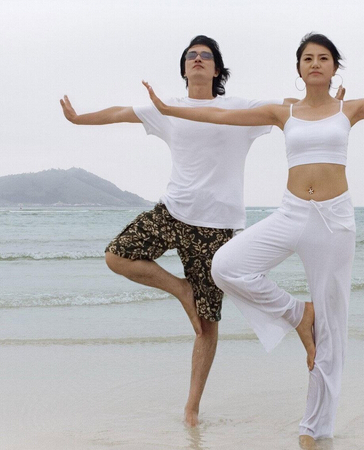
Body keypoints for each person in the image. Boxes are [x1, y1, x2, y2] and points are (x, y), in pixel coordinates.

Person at [142, 32, 364, 446]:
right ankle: (298, 314)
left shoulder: (350, 108)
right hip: (292, 212)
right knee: (225, 266)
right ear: (298, 69)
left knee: (332, 332)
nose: (315, 63)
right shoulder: (283, 112)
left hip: (333, 221)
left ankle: (314, 430)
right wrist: (169, 109)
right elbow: (220, 117)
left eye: (324, 58)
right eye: (308, 58)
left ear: (333, 68)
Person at [59, 35, 343, 427]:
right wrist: (80, 118)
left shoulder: (238, 107)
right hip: (173, 211)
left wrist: (329, 104)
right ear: (184, 68)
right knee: (116, 255)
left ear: (216, 69)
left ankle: (191, 409)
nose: (197, 60)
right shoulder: (167, 108)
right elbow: (122, 112)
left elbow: (287, 109)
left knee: (207, 326)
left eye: (205, 56)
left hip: (216, 226)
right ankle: (182, 290)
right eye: (191, 56)